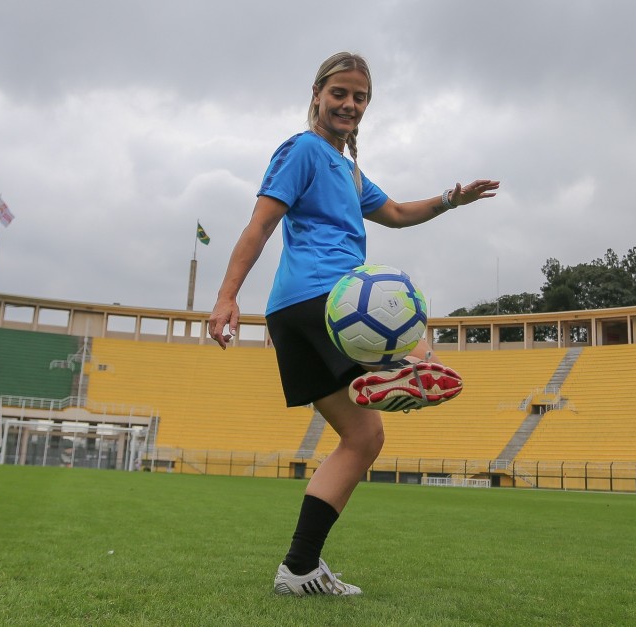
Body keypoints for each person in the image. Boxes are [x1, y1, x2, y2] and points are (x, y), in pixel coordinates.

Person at [208, 51, 499, 596]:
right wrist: (226, 297)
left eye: (359, 97)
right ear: (317, 94)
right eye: (339, 93)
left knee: (363, 437)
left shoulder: (349, 169)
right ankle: (405, 368)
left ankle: (299, 568)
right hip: (331, 299)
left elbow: (395, 214)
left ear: (368, 105)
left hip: (292, 313)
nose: (348, 104)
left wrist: (450, 199)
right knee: (411, 327)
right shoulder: (303, 150)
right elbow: (260, 224)